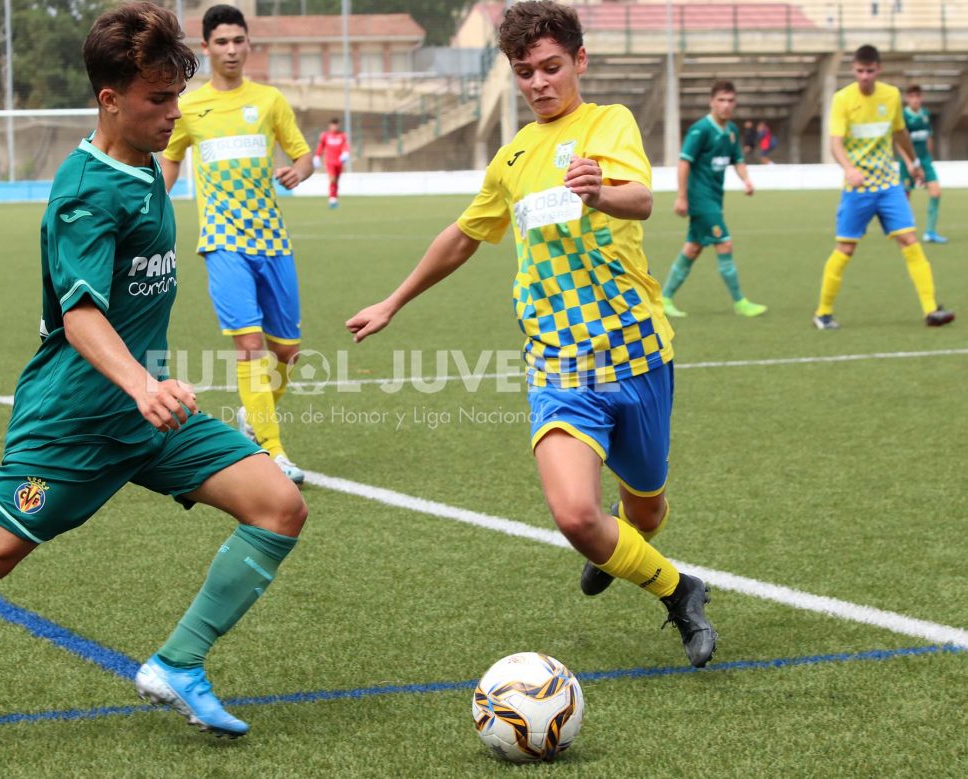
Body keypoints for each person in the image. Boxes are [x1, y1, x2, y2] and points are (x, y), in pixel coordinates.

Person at [0, 3, 307, 760]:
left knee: (279, 505)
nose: (175, 113)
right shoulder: (84, 192)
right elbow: (81, 319)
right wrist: (141, 384)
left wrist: (155, 385)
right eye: (157, 100)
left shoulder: (145, 168)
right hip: (74, 421)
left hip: (148, 414)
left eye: (176, 96)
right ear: (110, 100)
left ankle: (176, 662)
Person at [347, 0, 717, 670]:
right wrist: (394, 300)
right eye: (525, 71)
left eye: (551, 66)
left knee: (648, 511)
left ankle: (628, 547)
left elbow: (642, 198)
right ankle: (679, 590)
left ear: (579, 60)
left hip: (635, 353)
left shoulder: (608, 123)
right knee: (577, 515)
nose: (539, 82)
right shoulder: (513, 157)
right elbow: (463, 236)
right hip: (557, 365)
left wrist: (599, 190)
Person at [161, 4, 313, 485]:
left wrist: (298, 172)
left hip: (272, 239)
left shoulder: (269, 101)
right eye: (221, 42)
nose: (231, 49)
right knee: (249, 345)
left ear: (249, 44)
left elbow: (304, 156)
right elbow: (169, 161)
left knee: (286, 351)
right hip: (222, 242)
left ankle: (254, 416)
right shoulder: (189, 107)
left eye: (238, 40)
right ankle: (271, 450)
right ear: (205, 48)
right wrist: (149, 208)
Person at [813, 45, 954, 330]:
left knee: (910, 241)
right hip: (858, 188)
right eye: (859, 71)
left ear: (878, 70)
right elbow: (835, 143)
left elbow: (900, 132)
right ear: (854, 70)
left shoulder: (891, 96)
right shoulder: (842, 99)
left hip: (888, 184)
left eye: (870, 71)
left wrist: (914, 164)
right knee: (846, 248)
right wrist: (849, 169)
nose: (864, 76)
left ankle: (931, 309)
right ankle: (823, 312)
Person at [661, 80, 766, 319]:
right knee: (724, 244)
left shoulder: (731, 131)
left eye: (730, 100)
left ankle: (664, 297)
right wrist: (681, 196)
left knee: (693, 248)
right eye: (721, 100)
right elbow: (684, 162)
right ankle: (740, 302)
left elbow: (737, 160)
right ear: (712, 102)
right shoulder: (701, 130)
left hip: (715, 199)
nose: (726, 105)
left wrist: (746, 180)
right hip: (701, 199)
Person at [898, 85, 947, 244]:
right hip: (909, 162)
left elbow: (928, 137)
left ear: (921, 98)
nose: (915, 100)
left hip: (924, 160)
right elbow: (899, 142)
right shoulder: (903, 115)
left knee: (936, 192)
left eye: (917, 96)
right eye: (912, 96)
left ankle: (930, 232)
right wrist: (909, 163)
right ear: (907, 98)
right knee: (905, 196)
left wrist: (929, 159)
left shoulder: (925, 114)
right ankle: (904, 230)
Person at [315, 117, 350, 208]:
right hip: (330, 161)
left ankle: (334, 199)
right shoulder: (325, 135)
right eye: (333, 124)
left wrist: (345, 153)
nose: (335, 127)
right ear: (330, 125)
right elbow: (321, 146)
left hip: (339, 161)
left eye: (336, 125)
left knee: (336, 181)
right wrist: (317, 156)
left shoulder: (342, 135)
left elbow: (345, 146)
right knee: (332, 179)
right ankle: (331, 199)